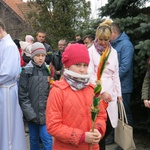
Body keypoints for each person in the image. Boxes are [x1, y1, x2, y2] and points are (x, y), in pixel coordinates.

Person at [46, 43, 107, 150]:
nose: (82, 70)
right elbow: (53, 126)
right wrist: (82, 136)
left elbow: (101, 116)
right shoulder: (58, 91)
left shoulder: (93, 90)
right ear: (67, 65)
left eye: (85, 65)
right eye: (78, 65)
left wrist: (98, 130)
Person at [87, 19, 122, 150]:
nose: (103, 43)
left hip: (111, 94)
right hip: (95, 93)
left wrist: (119, 94)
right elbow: (89, 75)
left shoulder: (113, 52)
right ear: (97, 37)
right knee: (96, 126)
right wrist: (100, 92)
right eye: (100, 39)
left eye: (106, 40)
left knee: (109, 125)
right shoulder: (90, 51)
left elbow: (116, 74)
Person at [18, 42, 53, 150]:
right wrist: (30, 114)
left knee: (47, 139)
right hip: (32, 114)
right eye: (38, 55)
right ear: (33, 56)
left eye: (43, 55)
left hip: (45, 113)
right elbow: (23, 95)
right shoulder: (26, 72)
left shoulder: (47, 70)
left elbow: (50, 91)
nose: (40, 58)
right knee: (33, 139)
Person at [0, 19, 27, 150]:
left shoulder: (9, 46)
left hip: (6, 91)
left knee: (8, 127)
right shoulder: (3, 44)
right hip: (3, 90)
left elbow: (7, 73)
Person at [110, 22, 134, 126]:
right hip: (114, 85)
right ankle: (114, 137)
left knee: (125, 112)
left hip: (123, 86)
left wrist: (111, 79)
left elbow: (125, 67)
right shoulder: (113, 45)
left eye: (108, 34)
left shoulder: (126, 45)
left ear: (114, 33)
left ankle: (127, 138)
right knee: (114, 112)